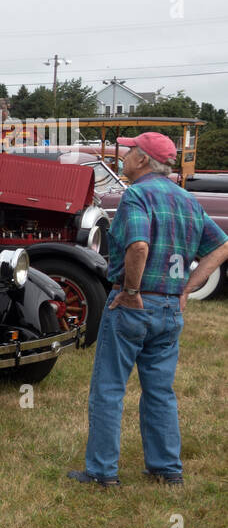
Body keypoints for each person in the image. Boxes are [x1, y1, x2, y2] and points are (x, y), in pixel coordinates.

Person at [69, 132, 228, 488]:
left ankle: (101, 473)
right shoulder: (187, 200)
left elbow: (138, 246)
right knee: (160, 390)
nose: (123, 157)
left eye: (128, 152)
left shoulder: (136, 195)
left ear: (142, 160)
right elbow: (221, 248)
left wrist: (131, 291)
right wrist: (187, 289)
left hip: (134, 305)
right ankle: (166, 468)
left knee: (109, 389)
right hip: (170, 307)